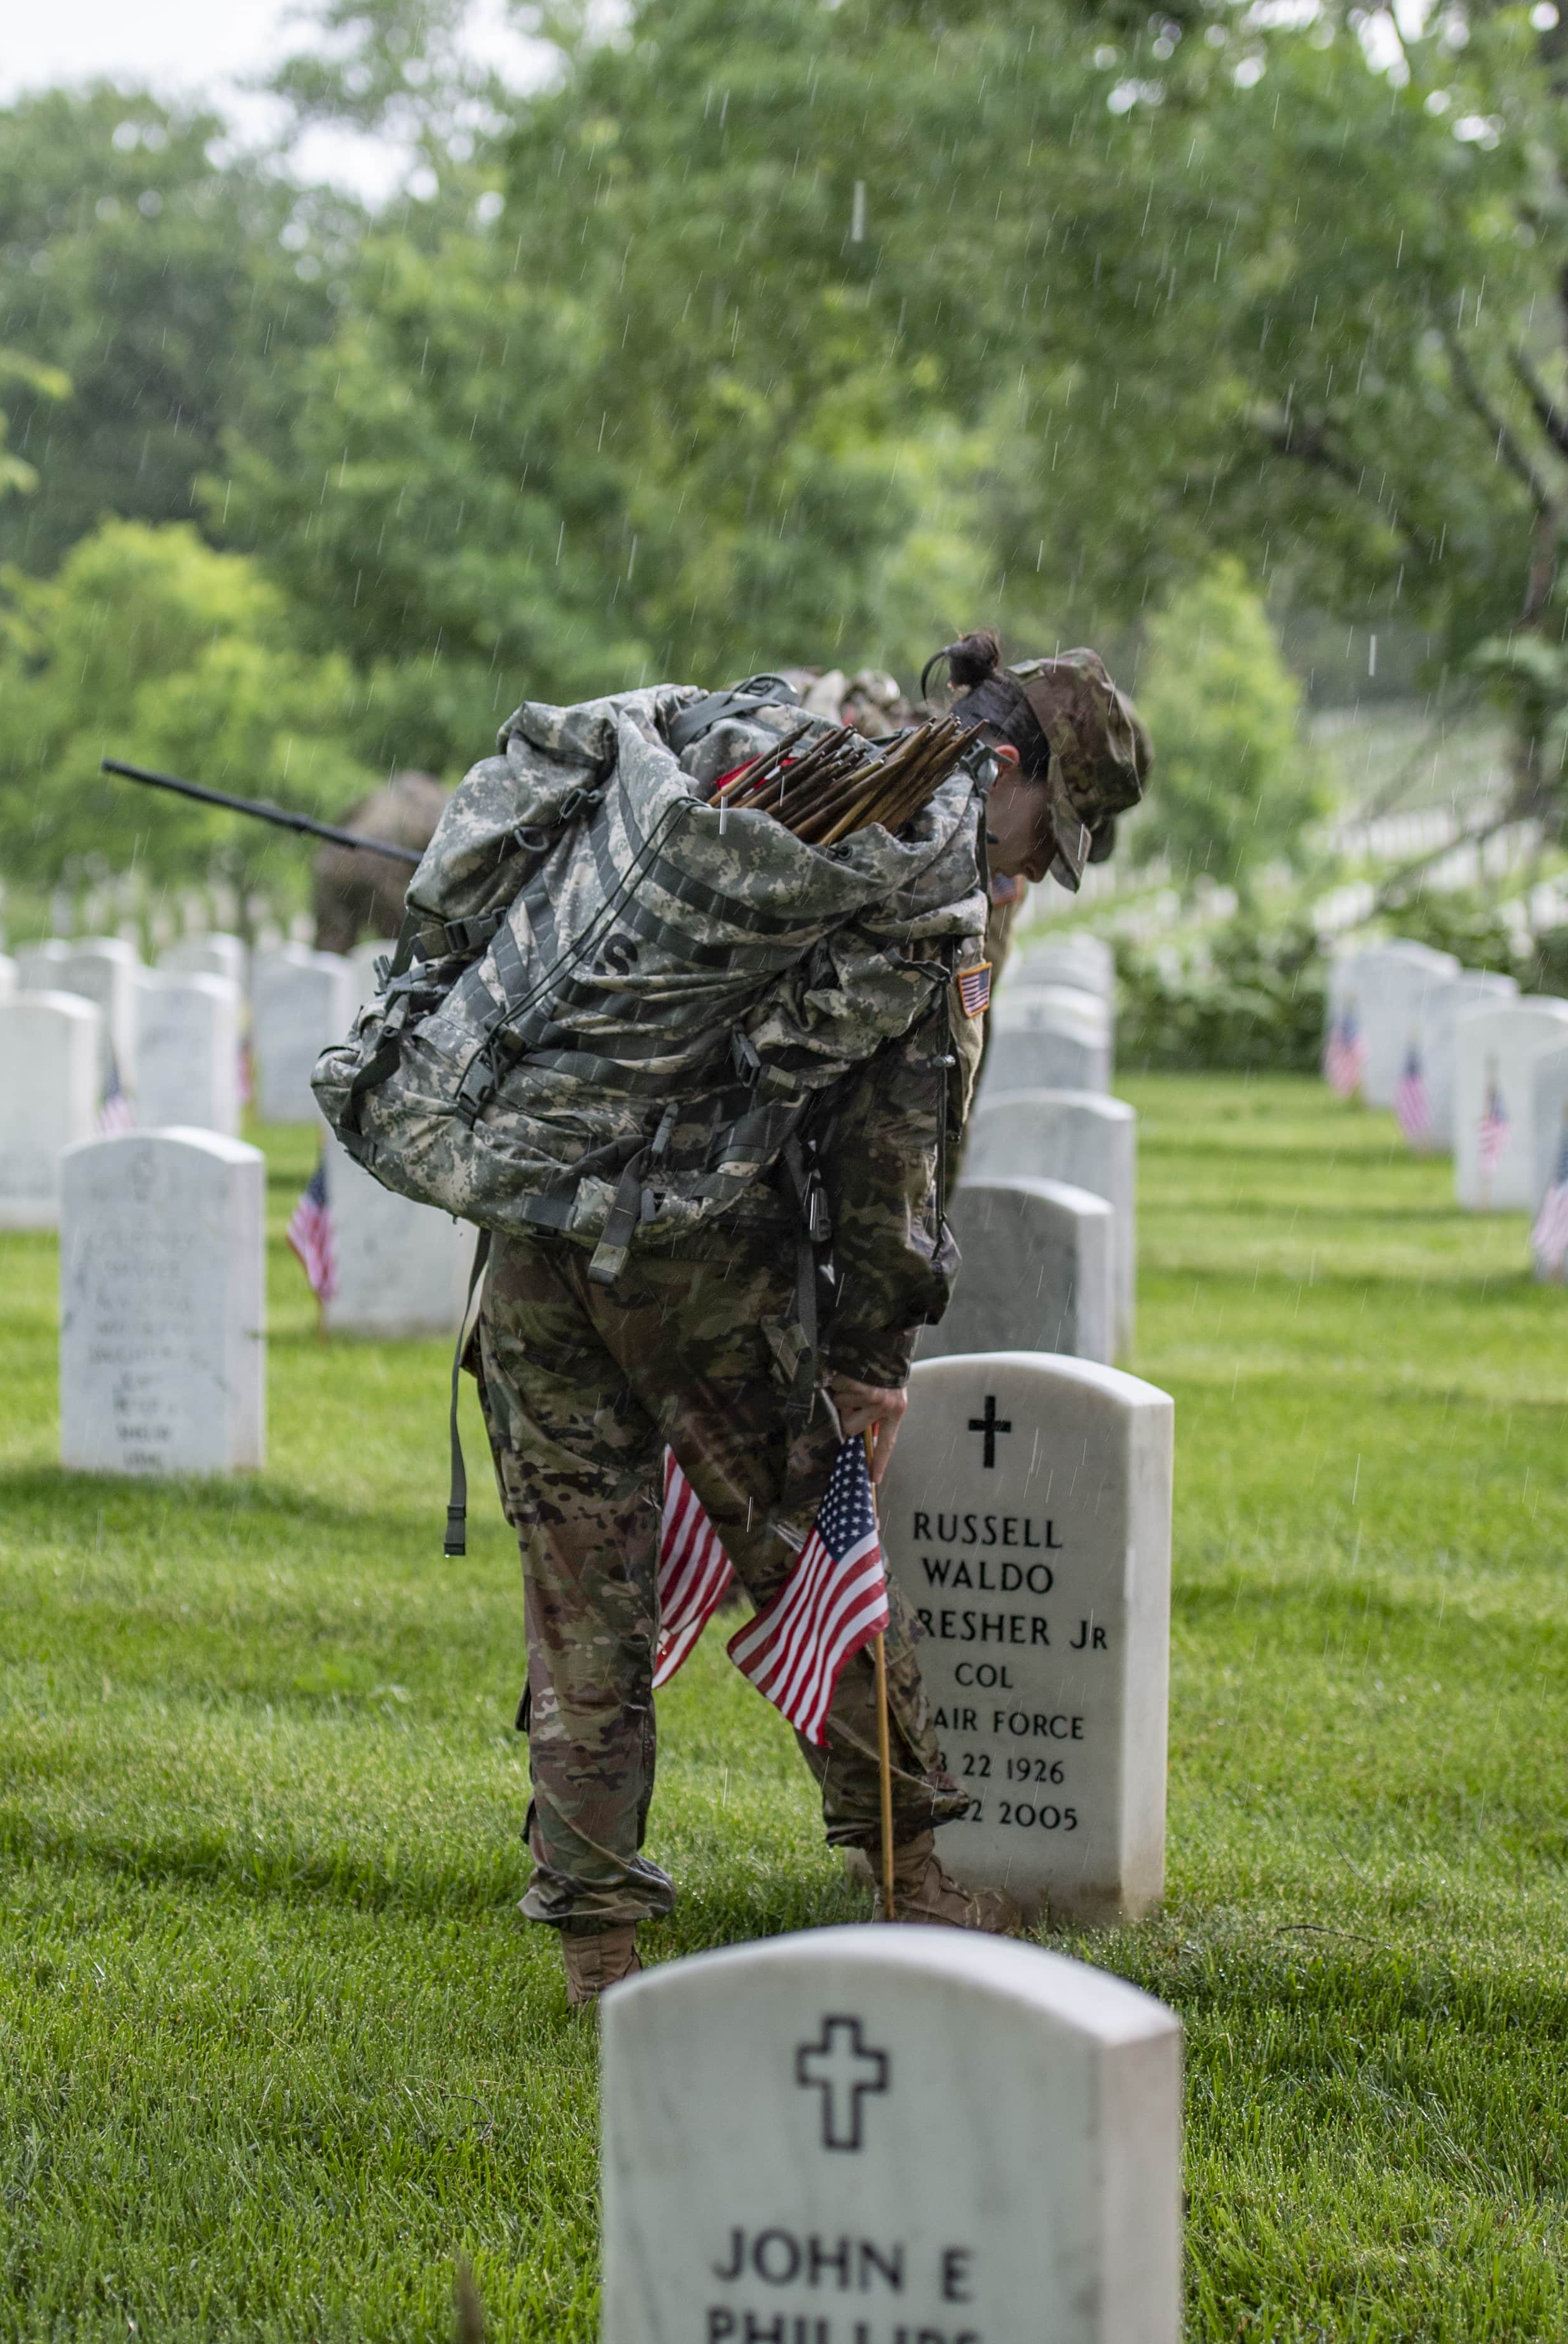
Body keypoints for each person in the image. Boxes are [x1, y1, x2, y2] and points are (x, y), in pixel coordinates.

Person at [470, 631, 1148, 2008]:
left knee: (582, 1585)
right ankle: (915, 1873)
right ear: (1003, 764)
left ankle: (597, 1936)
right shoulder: (915, 871)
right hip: (694, 1255)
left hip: (535, 1221)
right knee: (808, 1539)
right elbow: (901, 1151)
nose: (1023, 863)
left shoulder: (759, 774)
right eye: (1042, 828)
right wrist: (873, 1356)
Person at [309, 771, 450, 952]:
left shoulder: (382, 795)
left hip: (334, 862)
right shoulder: (434, 801)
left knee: (331, 950)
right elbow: (445, 850)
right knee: (406, 949)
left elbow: (343, 819)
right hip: (381, 868)